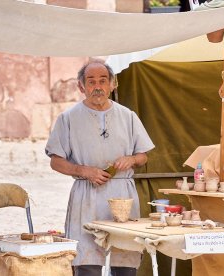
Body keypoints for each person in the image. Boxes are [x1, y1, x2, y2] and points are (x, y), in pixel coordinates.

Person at [45, 59, 155, 276]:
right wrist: (84, 171)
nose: (97, 86)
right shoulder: (68, 118)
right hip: (87, 196)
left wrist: (131, 160)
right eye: (91, 81)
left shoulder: (128, 116)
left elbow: (144, 156)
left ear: (112, 84)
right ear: (81, 86)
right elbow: (55, 161)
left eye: (103, 81)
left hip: (123, 196)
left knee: (125, 261)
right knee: (87, 263)